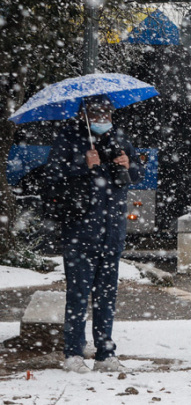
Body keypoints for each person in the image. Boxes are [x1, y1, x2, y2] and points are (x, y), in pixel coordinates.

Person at [45, 96, 144, 373]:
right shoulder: (69, 139)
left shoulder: (119, 138)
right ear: (84, 115)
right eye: (97, 113)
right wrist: (84, 166)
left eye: (107, 112)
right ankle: (73, 352)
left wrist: (129, 165)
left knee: (106, 295)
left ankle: (105, 353)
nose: (103, 118)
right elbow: (51, 179)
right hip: (80, 230)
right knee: (78, 293)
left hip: (112, 230)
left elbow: (138, 173)